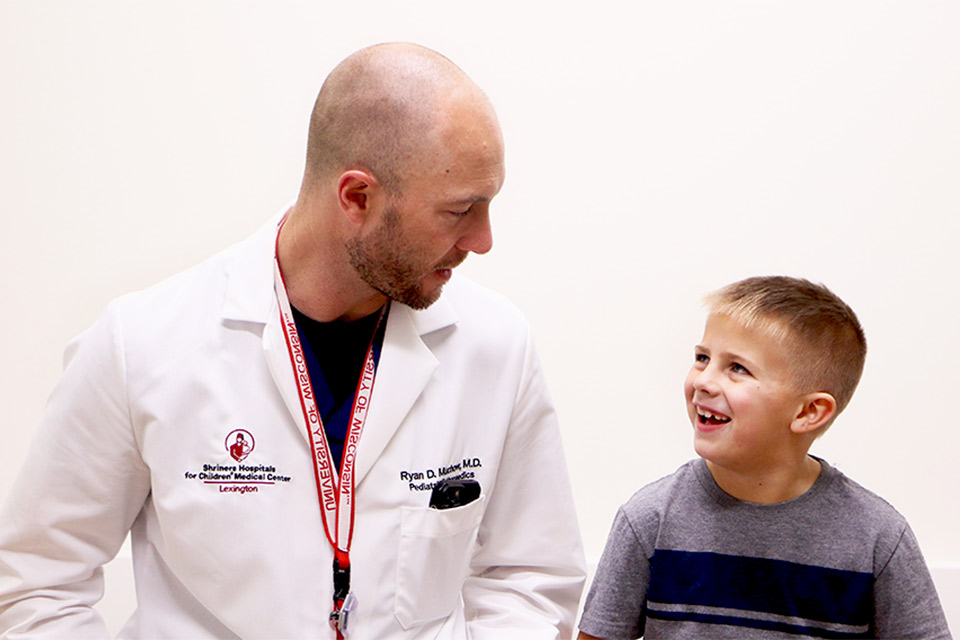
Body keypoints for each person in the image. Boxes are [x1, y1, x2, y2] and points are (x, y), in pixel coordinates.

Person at [0, 43, 586, 639]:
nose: (483, 240)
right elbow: (37, 581)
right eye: (461, 210)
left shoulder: (497, 347)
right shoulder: (142, 344)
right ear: (357, 197)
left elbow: (529, 577)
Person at [577, 276, 951, 639]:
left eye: (737, 368)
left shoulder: (879, 538)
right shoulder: (648, 519)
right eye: (702, 358)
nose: (704, 381)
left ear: (809, 413)